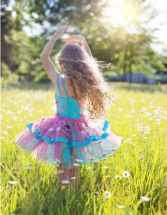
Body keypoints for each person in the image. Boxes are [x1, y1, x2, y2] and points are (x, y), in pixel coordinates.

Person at [15, 25, 122, 190]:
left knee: (62, 163)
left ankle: (65, 192)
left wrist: (56, 36)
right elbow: (91, 62)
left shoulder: (59, 80)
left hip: (60, 128)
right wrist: (83, 42)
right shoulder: (85, 82)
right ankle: (74, 191)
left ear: (62, 61)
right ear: (82, 63)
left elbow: (44, 57)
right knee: (75, 163)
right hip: (80, 127)